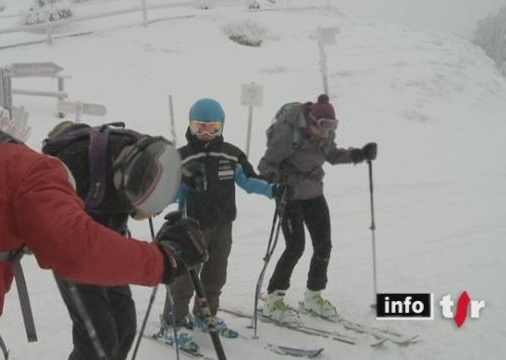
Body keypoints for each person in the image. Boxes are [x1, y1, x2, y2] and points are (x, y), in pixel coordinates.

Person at [0, 119, 207, 360]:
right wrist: (164, 260)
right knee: (100, 338)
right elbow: (75, 246)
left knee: (119, 326)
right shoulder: (39, 170)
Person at [41, 121, 180, 360]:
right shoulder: (72, 166)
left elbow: (146, 202)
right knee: (99, 341)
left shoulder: (145, 154)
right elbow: (43, 220)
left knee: (125, 325)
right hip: (74, 253)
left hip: (110, 247)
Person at [159, 98, 275, 351]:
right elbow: (166, 194)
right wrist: (184, 183)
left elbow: (249, 180)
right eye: (200, 128)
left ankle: (204, 315)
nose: (206, 134)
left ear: (222, 127)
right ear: (190, 126)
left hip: (222, 226)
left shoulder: (231, 154)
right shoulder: (181, 157)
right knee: (185, 278)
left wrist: (274, 190)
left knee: (216, 275)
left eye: (212, 128)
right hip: (190, 228)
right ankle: (172, 322)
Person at [258, 94, 377, 323]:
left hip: (314, 193)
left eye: (333, 126)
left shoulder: (326, 135)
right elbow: (266, 166)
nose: (328, 130)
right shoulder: (287, 133)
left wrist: (360, 154)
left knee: (324, 245)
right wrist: (279, 183)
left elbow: (332, 155)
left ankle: (313, 296)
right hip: (289, 195)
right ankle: (274, 300)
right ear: (312, 121)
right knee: (295, 247)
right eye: (324, 125)